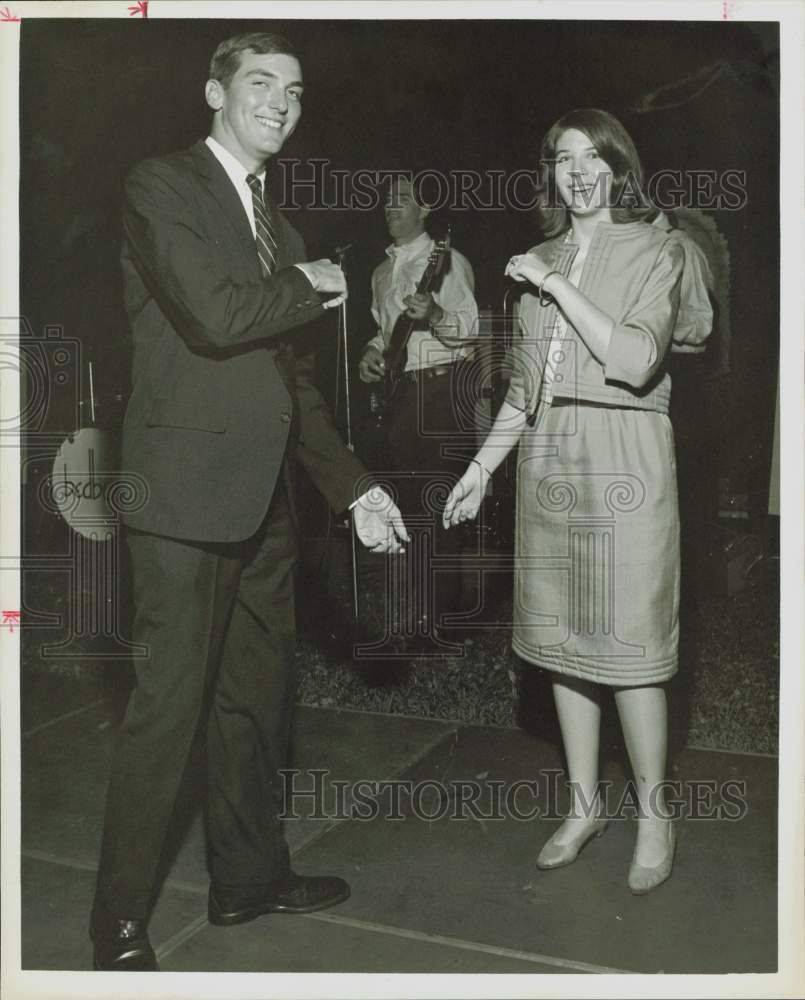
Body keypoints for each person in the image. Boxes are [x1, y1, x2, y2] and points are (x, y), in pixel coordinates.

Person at [91, 31, 408, 971]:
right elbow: (214, 314)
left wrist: (353, 488)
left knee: (254, 705)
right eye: (260, 83)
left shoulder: (287, 231)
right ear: (214, 93)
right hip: (182, 502)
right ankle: (115, 923)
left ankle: (246, 879)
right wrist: (304, 286)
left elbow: (293, 390)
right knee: (168, 711)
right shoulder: (162, 186)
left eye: (296, 90)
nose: (281, 101)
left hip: (266, 505)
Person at [444, 109, 695, 894]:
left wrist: (553, 281)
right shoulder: (538, 257)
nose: (577, 171)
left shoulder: (660, 248)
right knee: (563, 644)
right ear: (549, 172)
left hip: (625, 457)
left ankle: (655, 815)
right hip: (552, 458)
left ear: (618, 166)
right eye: (561, 158)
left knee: (628, 649)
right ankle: (584, 804)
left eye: (592, 156)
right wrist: (482, 469)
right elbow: (525, 391)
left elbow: (631, 358)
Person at [358, 176, 479, 648]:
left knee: (443, 507)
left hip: (442, 393)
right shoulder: (380, 273)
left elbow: (468, 331)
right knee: (408, 506)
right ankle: (418, 616)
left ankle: (444, 625)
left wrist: (434, 317)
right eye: (386, 202)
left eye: (401, 201)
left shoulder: (447, 262)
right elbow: (382, 332)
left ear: (424, 209)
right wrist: (370, 355)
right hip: (401, 397)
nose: (390, 208)